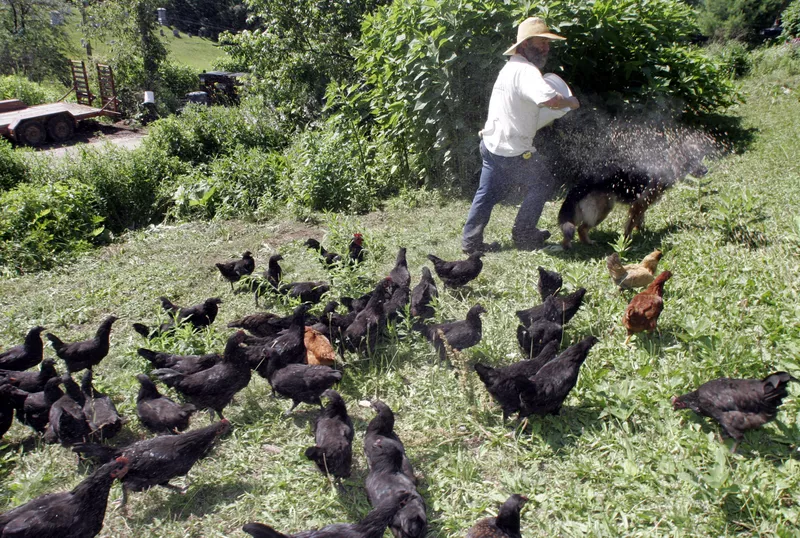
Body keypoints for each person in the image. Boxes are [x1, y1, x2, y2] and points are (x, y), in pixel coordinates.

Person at [461, 17, 580, 254]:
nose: (546, 47)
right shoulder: (526, 71)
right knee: (543, 182)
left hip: (492, 144)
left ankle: (470, 242)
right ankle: (524, 234)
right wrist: (571, 102)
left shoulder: (510, 68)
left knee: (487, 193)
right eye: (541, 41)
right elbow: (550, 99)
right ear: (525, 45)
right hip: (512, 151)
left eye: (548, 42)